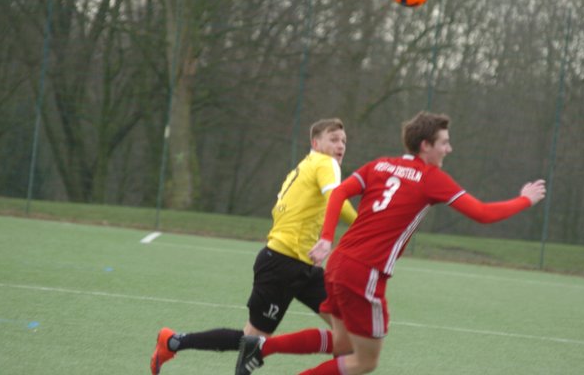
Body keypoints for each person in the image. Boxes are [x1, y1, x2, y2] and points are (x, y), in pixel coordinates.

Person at [234, 111, 546, 375]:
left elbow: (339, 193)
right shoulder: (431, 178)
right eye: (444, 143)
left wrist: (328, 239)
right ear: (425, 145)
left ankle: (261, 347)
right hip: (364, 272)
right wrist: (525, 200)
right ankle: (263, 350)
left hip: (339, 262)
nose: (449, 149)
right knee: (365, 361)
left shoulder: (379, 165)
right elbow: (483, 214)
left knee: (343, 343)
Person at [150, 118, 358, 374]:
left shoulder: (304, 167)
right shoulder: (325, 163)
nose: (340, 145)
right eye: (334, 139)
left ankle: (173, 342)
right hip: (282, 264)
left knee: (349, 333)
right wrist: (365, 225)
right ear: (315, 143)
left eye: (344, 141)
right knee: (252, 340)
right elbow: (337, 199)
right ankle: (174, 342)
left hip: (303, 266)